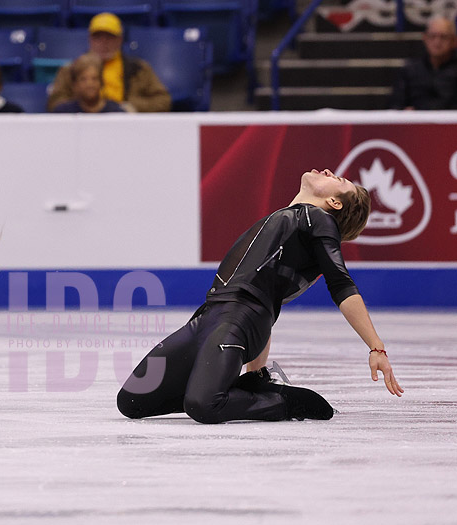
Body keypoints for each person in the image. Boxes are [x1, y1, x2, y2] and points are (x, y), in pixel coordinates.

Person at [117, 169, 403, 424]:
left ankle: (285, 401)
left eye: (337, 180)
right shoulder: (286, 221)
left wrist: (376, 347)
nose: (328, 171)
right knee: (133, 400)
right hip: (208, 316)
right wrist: (255, 376)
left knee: (205, 405)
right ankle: (255, 387)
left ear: (335, 203)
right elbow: (272, 298)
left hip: (238, 321)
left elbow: (341, 284)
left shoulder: (320, 219)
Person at [47, 12, 170, 113]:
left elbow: (163, 101)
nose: (104, 42)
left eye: (110, 37)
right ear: (90, 39)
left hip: (126, 125)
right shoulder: (70, 69)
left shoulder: (139, 69)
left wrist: (130, 106)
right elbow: (54, 103)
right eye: (98, 37)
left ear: (120, 40)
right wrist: (84, 105)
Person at [391, 15, 457, 110]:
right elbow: (394, 106)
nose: (437, 42)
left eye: (443, 37)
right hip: (415, 123)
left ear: (454, 41)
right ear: (425, 38)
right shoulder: (409, 71)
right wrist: (403, 113)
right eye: (432, 36)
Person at [51, 54, 126, 114]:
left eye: (94, 79)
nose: (89, 84)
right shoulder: (63, 113)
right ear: (75, 84)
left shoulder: (116, 112)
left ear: (101, 82)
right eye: (83, 79)